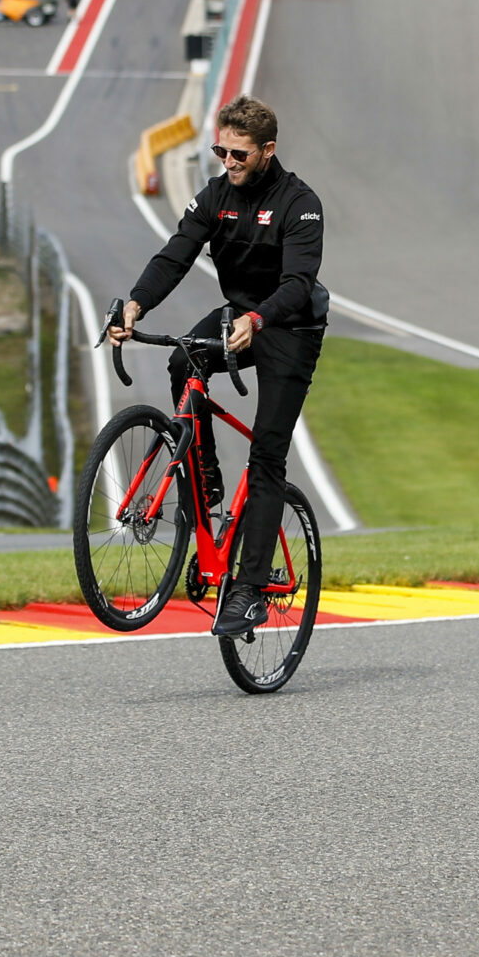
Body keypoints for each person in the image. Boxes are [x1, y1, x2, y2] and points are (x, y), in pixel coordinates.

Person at [109, 95, 326, 638]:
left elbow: (298, 285)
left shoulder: (300, 203)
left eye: (239, 155)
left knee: (268, 453)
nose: (227, 163)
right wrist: (136, 304)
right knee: (185, 359)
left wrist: (258, 318)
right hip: (239, 314)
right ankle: (205, 492)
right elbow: (175, 254)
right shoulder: (215, 195)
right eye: (219, 151)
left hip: (289, 324)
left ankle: (250, 590)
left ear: (267, 151)